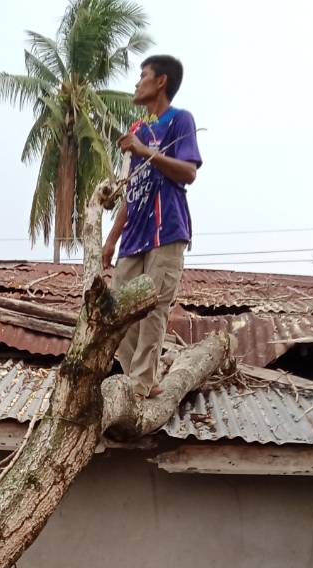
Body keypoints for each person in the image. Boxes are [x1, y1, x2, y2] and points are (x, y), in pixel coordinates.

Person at [101, 54, 202, 400]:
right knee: (118, 310)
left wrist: (146, 151)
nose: (136, 82)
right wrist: (110, 241)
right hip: (133, 235)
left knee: (154, 306)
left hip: (166, 229)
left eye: (142, 75)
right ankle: (137, 378)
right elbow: (131, 190)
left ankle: (141, 384)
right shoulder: (136, 132)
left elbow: (188, 173)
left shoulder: (179, 120)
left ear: (160, 82)